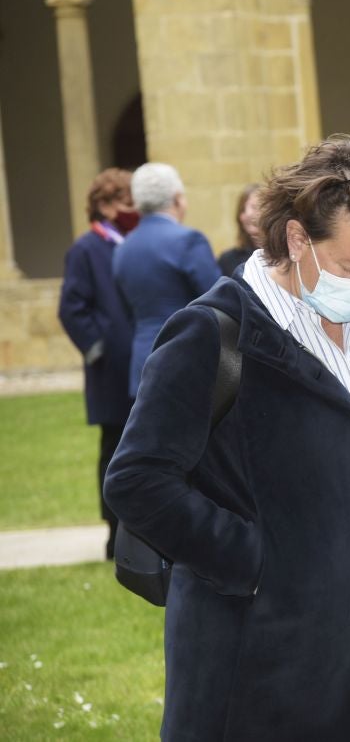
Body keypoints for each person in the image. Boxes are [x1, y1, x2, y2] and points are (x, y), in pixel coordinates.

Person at [103, 136, 350, 740]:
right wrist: (259, 565)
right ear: (297, 239)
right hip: (261, 666)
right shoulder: (212, 335)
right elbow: (138, 480)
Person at [58, 168, 138, 559]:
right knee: (114, 450)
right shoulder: (86, 249)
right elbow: (72, 307)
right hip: (110, 372)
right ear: (105, 206)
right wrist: (99, 347)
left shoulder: (135, 244)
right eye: (125, 203)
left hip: (142, 365)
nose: (132, 210)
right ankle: (113, 532)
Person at [112, 162, 220, 397]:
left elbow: (125, 310)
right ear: (178, 199)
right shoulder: (188, 241)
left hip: (143, 360)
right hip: (187, 356)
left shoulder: (123, 248)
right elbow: (219, 301)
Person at [217, 183, 262, 276]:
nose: (250, 214)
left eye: (257, 207)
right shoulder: (227, 260)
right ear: (240, 217)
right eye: (243, 210)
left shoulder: (282, 257)